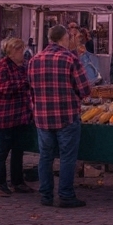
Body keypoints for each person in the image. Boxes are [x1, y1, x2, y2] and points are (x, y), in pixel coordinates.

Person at [28, 25, 91, 207]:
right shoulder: (70, 58)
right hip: (66, 115)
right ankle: (66, 195)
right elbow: (85, 89)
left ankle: (46, 195)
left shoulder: (34, 60)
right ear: (64, 38)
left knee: (45, 157)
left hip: (42, 116)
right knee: (67, 157)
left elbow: (31, 89)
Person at [0, 37, 33, 197]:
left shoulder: (24, 66)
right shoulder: (2, 66)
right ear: (11, 51)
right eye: (19, 50)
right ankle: (0, 184)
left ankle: (17, 182)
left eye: (22, 50)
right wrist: (23, 84)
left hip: (21, 114)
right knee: (3, 149)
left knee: (18, 149)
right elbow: (2, 89)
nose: (22, 53)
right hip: (6, 115)